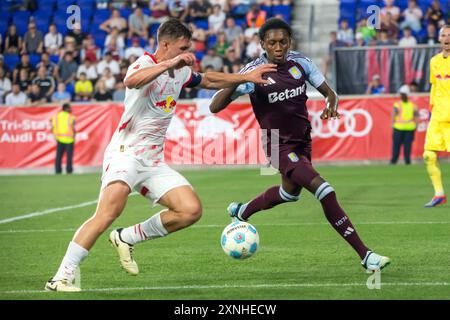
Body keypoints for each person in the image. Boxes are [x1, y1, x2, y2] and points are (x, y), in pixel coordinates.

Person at [44, 18, 276, 292]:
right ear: (165, 45)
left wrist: (245, 77)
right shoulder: (143, 63)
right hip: (125, 154)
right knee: (108, 211)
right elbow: (131, 80)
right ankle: (61, 277)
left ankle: (126, 237)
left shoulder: (181, 71)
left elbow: (209, 79)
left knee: (190, 210)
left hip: (153, 161)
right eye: (182, 47)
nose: (187, 53)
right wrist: (168, 65)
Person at [209, 18, 390, 273]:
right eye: (272, 43)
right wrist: (238, 80)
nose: (279, 47)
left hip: (302, 141)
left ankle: (241, 211)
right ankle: (366, 256)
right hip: (275, 144)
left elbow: (329, 92)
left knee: (289, 194)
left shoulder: (301, 63)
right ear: (262, 44)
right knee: (325, 191)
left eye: (283, 41)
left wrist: (331, 103)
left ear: (289, 42)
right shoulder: (254, 73)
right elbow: (214, 106)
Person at [423, 25, 450, 208]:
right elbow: (434, 86)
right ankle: (439, 194)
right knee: (428, 155)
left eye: (449, 35)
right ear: (439, 38)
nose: (446, 37)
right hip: (437, 116)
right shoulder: (434, 61)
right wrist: (432, 108)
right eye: (443, 35)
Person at [390, 85, 418, 165]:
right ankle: (393, 161)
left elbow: (416, 116)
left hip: (408, 129)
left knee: (407, 147)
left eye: (403, 94)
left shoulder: (412, 105)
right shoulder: (397, 104)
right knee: (396, 147)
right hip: (398, 128)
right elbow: (393, 115)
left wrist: (416, 125)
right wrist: (392, 124)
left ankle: (407, 162)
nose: (402, 96)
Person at [51, 103, 76, 175]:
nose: (71, 109)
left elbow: (53, 127)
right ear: (66, 108)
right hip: (69, 139)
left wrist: (55, 136)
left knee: (58, 156)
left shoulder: (56, 116)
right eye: (69, 108)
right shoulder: (71, 117)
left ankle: (58, 170)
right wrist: (74, 135)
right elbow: (73, 128)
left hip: (59, 139)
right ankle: (69, 171)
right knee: (69, 157)